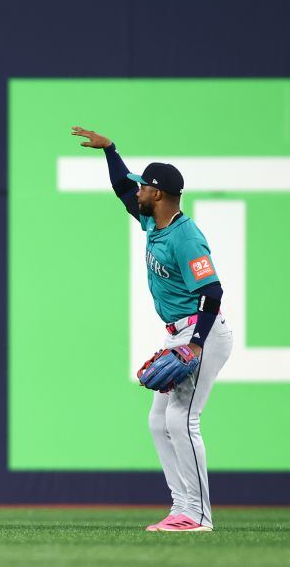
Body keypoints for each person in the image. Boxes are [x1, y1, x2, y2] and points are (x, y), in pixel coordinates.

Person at [72, 126, 233, 532]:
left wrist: (195, 345)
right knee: (158, 422)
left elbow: (212, 292)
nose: (137, 191)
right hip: (178, 333)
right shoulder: (153, 223)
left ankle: (198, 516)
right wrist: (110, 150)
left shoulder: (186, 236)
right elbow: (121, 190)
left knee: (183, 421)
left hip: (202, 333)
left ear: (158, 194)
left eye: (144, 187)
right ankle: (182, 507)